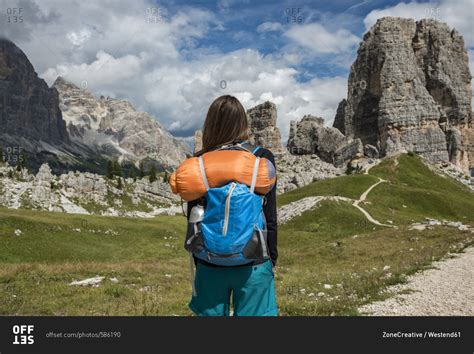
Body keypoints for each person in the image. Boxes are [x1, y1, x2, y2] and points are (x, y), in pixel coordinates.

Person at [186, 95, 278, 316]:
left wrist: (201, 259)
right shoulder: (261, 159)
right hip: (254, 262)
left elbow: (192, 214)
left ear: (210, 125)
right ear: (243, 123)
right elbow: (270, 213)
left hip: (209, 262)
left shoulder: (198, 161)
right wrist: (271, 258)